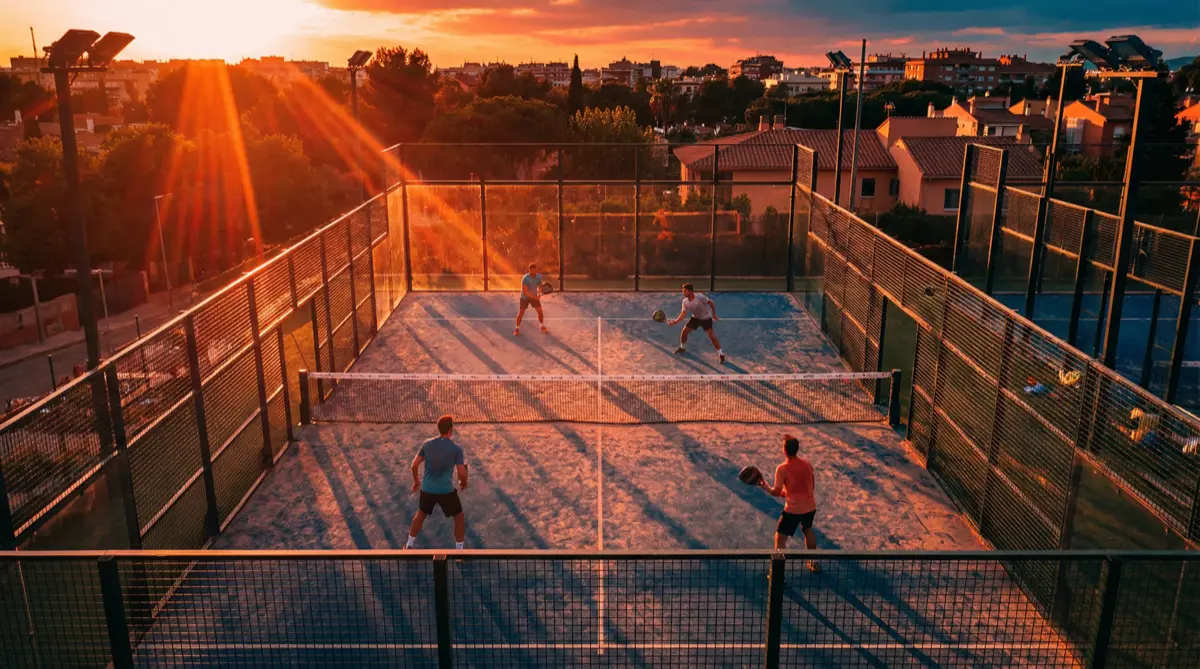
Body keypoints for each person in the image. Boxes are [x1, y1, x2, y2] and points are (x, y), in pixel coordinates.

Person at [406, 415, 469, 549]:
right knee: (458, 516)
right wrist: (463, 482)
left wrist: (417, 482)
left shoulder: (427, 444)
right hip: (446, 491)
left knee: (421, 513)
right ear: (451, 430)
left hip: (427, 489)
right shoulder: (456, 449)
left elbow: (414, 465)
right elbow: (462, 472)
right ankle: (459, 551)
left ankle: (409, 545)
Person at [759, 434, 820, 571]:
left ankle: (778, 572)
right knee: (807, 529)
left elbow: (775, 492)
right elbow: (811, 486)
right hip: (810, 507)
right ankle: (814, 562)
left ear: (784, 450)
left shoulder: (782, 468)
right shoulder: (808, 465)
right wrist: (788, 494)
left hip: (793, 510)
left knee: (780, 538)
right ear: (797, 449)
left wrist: (764, 486)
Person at [666, 283, 724, 363]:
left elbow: (711, 302)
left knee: (712, 337)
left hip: (706, 318)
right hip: (695, 318)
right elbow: (683, 314)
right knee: (684, 332)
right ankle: (682, 348)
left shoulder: (700, 297)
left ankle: (721, 355)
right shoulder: (685, 301)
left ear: (690, 291)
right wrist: (675, 322)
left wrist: (714, 314)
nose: (683, 293)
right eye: (683, 291)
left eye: (685, 291)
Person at [515, 262, 548, 336]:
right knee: (521, 313)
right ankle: (517, 328)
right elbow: (525, 292)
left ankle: (541, 326)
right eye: (533, 270)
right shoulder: (525, 278)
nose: (535, 272)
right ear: (529, 270)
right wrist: (535, 297)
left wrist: (539, 293)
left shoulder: (539, 277)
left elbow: (539, 286)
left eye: (535, 270)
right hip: (524, 298)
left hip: (534, 297)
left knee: (540, 311)